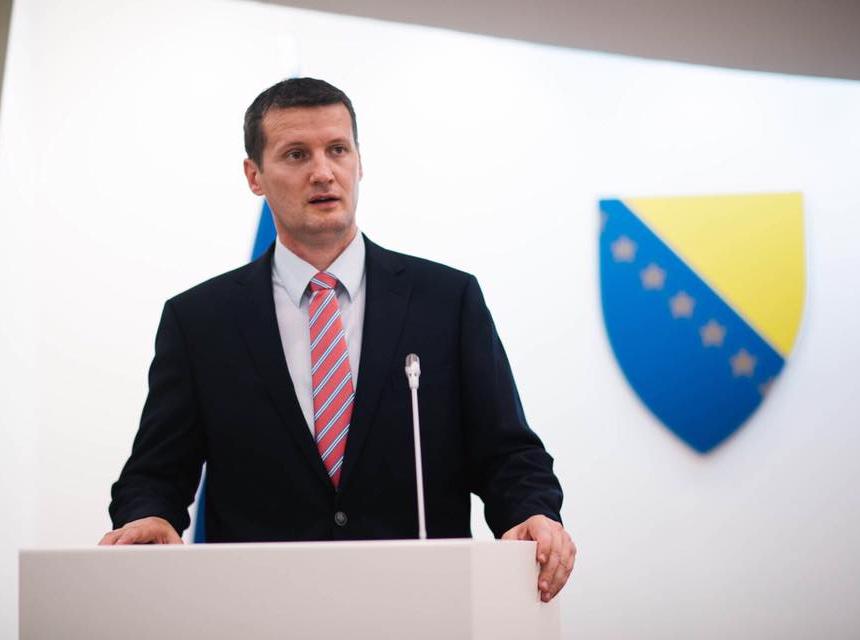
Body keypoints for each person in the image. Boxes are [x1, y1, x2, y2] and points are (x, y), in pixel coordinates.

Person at [100, 78, 575, 602]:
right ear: (254, 176)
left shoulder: (446, 300)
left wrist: (532, 511)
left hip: (420, 604)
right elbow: (155, 472)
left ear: (360, 162)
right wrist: (148, 515)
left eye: (337, 150)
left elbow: (506, 452)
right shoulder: (200, 320)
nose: (323, 172)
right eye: (296, 154)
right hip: (260, 608)